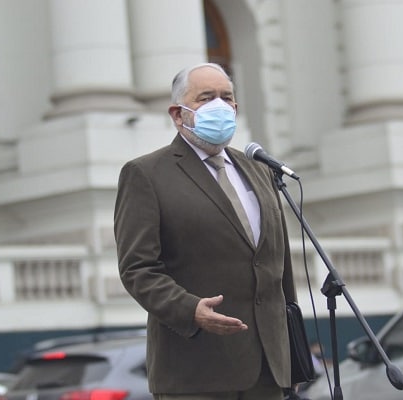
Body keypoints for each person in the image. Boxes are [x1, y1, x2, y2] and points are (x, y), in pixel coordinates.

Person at [114, 62, 297, 400]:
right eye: (206, 97)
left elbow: (277, 268)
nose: (219, 106)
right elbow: (137, 269)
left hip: (267, 372)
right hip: (196, 374)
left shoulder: (259, 171)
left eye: (226, 97)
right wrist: (189, 309)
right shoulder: (147, 174)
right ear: (177, 114)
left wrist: (292, 361)